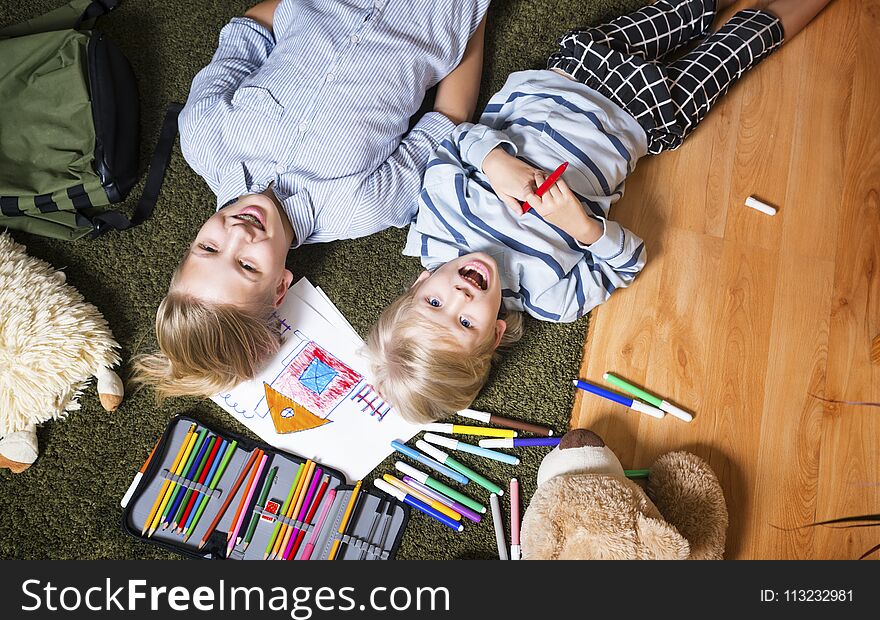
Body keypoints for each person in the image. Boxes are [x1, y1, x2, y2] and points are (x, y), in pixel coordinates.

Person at [365, 0, 835, 424]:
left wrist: (496, 162)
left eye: (435, 303)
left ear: (419, 282)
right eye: (466, 323)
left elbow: (454, 142)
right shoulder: (549, 297)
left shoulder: (431, 224)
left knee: (692, 7)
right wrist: (585, 229)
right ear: (495, 334)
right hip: (649, 116)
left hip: (580, 69)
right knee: (746, 43)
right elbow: (629, 263)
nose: (461, 296)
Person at [132, 0, 490, 397]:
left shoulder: (203, 133)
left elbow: (251, 27)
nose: (237, 234)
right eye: (247, 266)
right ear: (280, 287)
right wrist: (471, 17)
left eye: (209, 247)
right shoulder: (361, 207)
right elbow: (448, 118)